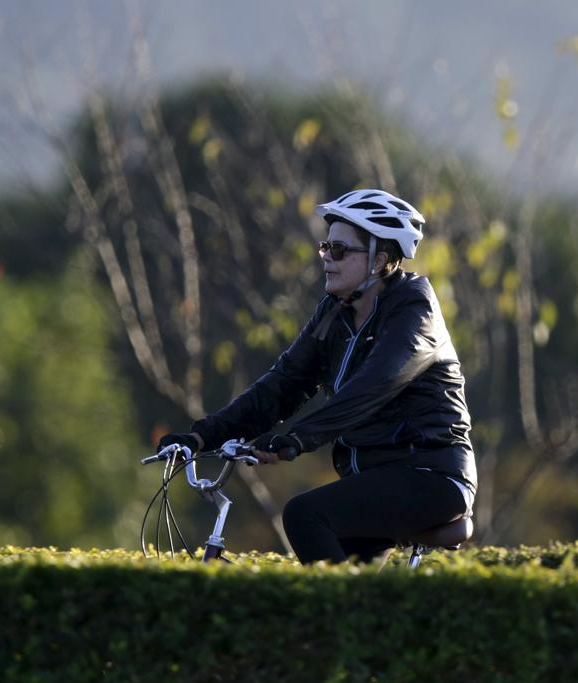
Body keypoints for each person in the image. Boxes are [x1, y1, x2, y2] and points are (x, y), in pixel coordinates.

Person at [157, 189, 476, 564]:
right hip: (374, 481)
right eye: (325, 247)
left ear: (380, 261)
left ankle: (334, 619)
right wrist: (200, 436)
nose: (325, 258)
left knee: (305, 515)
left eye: (339, 250)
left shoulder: (416, 313)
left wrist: (297, 439)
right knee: (344, 581)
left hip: (431, 476)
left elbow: (376, 384)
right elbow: (281, 386)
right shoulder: (334, 314)